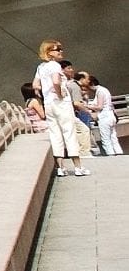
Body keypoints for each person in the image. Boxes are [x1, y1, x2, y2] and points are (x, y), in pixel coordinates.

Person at [33, 40, 89, 177]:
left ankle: (61, 167)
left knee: (55, 133)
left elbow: (35, 85)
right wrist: (59, 93)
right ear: (49, 52)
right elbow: (56, 81)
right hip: (61, 103)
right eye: (57, 49)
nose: (60, 51)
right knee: (69, 131)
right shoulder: (55, 66)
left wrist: (45, 90)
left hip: (48, 104)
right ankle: (78, 167)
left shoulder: (41, 67)